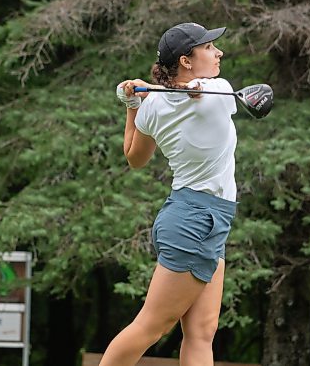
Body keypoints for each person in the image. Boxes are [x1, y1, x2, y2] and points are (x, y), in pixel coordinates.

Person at [99, 22, 238, 366]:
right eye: (208, 47)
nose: (218, 52)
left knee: (202, 332)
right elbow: (197, 92)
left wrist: (133, 105)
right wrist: (146, 98)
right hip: (195, 221)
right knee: (150, 326)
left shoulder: (154, 106)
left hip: (201, 217)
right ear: (187, 60)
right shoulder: (218, 91)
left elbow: (134, 157)